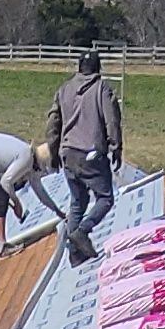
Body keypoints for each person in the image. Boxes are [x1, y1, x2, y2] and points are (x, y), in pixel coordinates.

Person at [47, 49, 124, 263]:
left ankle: (75, 254)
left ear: (79, 68)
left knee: (77, 202)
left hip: (68, 152)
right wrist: (116, 147)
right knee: (105, 198)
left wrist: (54, 153)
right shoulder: (102, 90)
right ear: (98, 69)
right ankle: (82, 231)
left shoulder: (64, 90)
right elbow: (112, 122)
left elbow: (53, 123)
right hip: (91, 154)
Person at [0, 129, 54, 257]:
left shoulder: (27, 155)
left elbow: (40, 192)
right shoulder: (27, 157)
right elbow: (5, 182)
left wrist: (59, 212)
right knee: (0, 199)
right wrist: (16, 202)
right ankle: (2, 246)